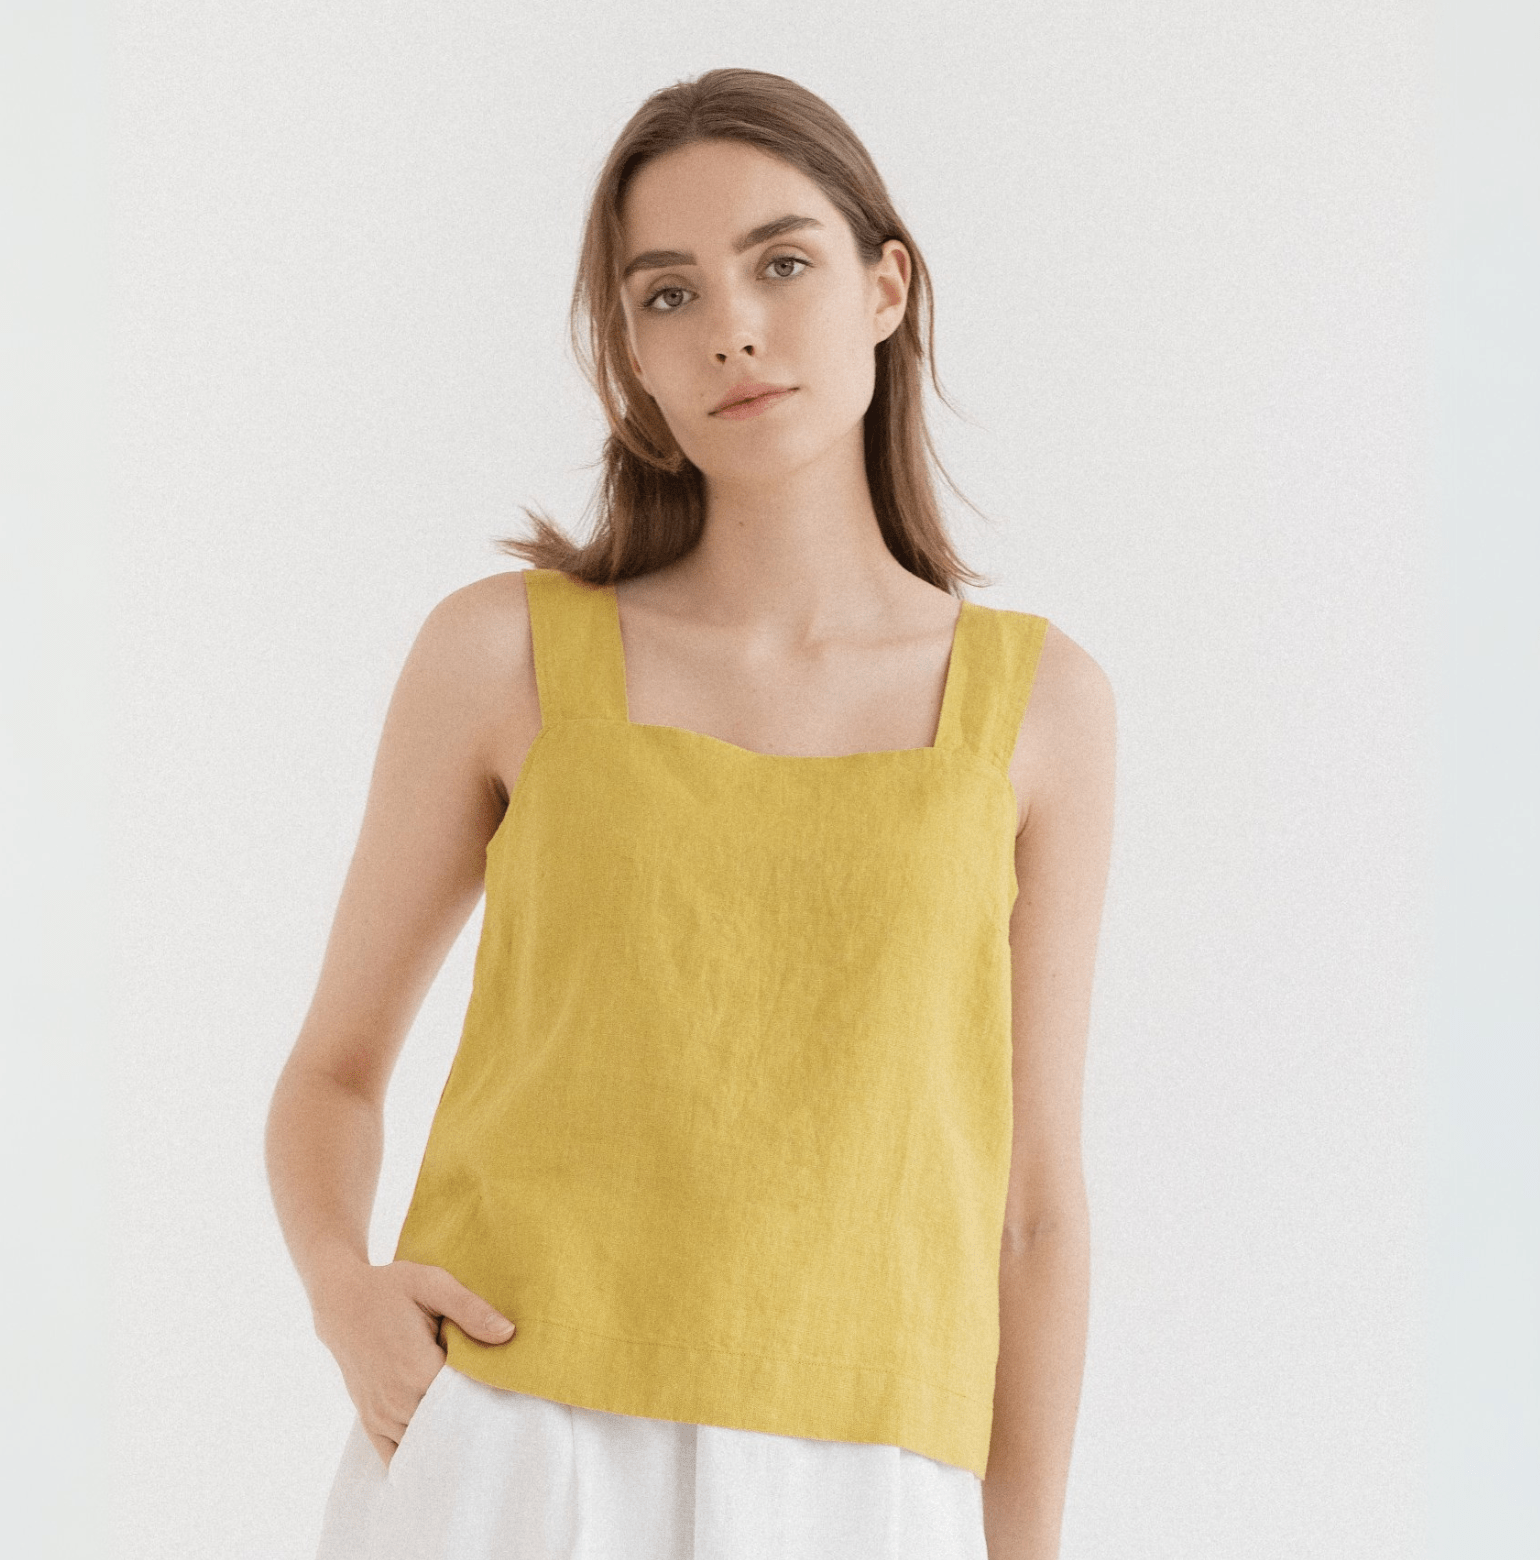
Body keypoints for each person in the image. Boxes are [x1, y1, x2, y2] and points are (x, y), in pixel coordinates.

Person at [266, 67, 1115, 1560]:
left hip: (867, 1480)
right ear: (633, 359)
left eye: (781, 263)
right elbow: (333, 1073)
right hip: (519, 1449)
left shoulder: (1038, 707)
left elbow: (1031, 1212)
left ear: (885, 288)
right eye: (669, 294)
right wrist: (348, 1298)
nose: (731, 327)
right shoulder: (502, 657)